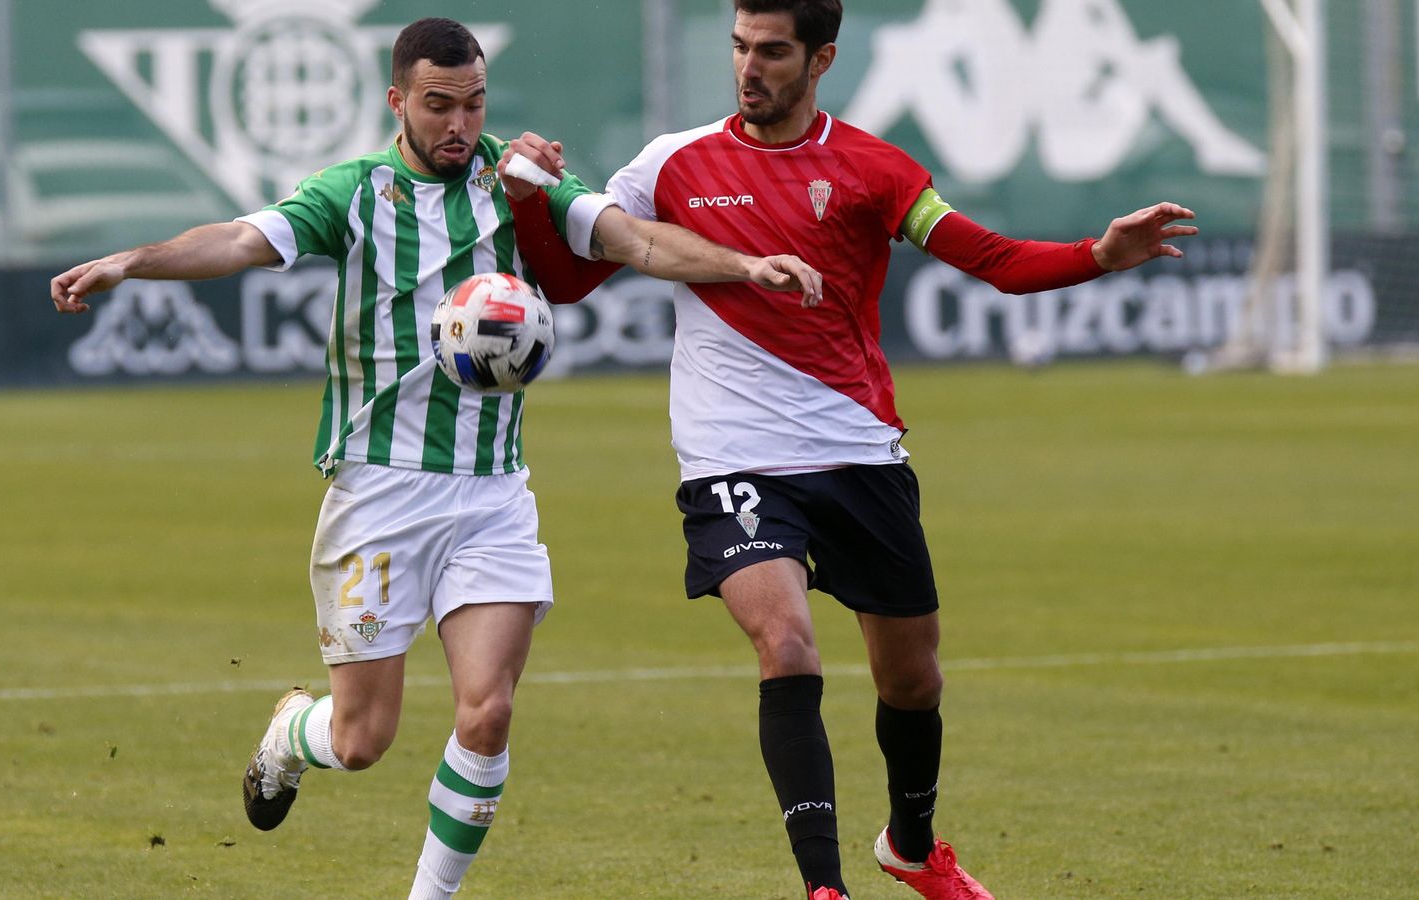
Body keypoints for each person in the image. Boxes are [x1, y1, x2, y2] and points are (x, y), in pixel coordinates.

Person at [49, 17, 820, 900]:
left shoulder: (518, 177)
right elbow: (238, 239)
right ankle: (290, 734)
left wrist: (741, 264)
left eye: (474, 103)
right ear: (398, 103)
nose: (460, 124)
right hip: (379, 492)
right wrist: (129, 262)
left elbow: (633, 238)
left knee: (487, 711)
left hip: (494, 493)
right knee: (361, 740)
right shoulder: (352, 193)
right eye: (439, 105)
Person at [498, 1, 1198, 898]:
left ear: (821, 58)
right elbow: (565, 280)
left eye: (774, 52)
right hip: (732, 460)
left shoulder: (874, 169)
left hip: (857, 450)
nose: (751, 69)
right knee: (786, 646)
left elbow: (995, 261)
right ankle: (823, 888)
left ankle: (911, 846)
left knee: (911, 679)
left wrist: (1097, 253)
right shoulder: (671, 164)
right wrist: (527, 208)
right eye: (742, 48)